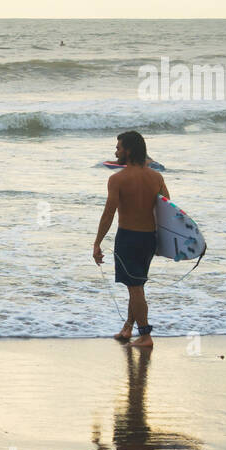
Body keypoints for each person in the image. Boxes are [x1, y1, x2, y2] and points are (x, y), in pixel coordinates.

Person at [93, 130, 168, 346]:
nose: (115, 151)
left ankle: (145, 335)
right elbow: (167, 211)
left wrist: (97, 242)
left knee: (135, 288)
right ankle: (128, 327)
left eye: (118, 147)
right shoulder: (157, 177)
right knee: (136, 286)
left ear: (129, 150)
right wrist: (163, 242)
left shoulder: (118, 179)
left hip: (128, 239)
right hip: (149, 240)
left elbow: (109, 213)